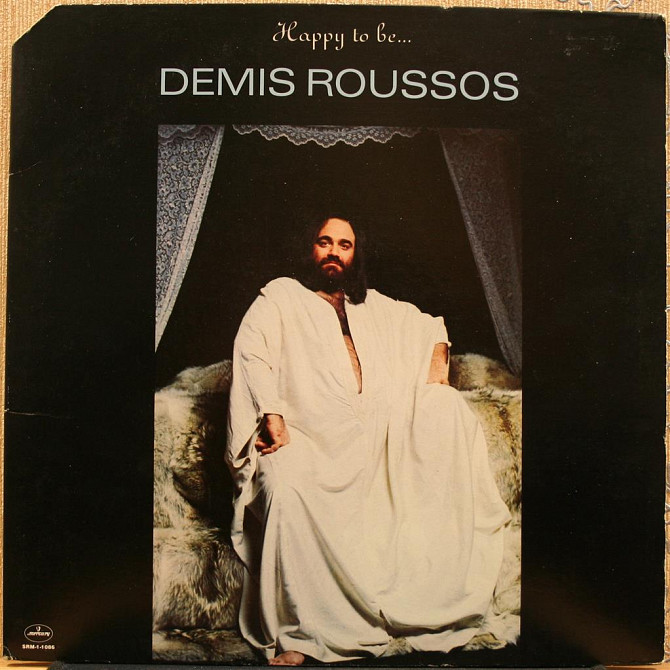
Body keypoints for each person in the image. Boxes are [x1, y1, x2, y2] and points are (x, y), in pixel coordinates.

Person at [226, 215, 510, 666]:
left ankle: (415, 601)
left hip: (375, 445)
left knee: (446, 409)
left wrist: (437, 377)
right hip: (307, 440)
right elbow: (253, 352)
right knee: (285, 484)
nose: (334, 252)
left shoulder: (372, 306)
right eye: (325, 242)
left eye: (345, 245)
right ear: (310, 248)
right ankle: (299, 634)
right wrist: (271, 414)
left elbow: (432, 327)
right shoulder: (281, 296)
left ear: (355, 254)